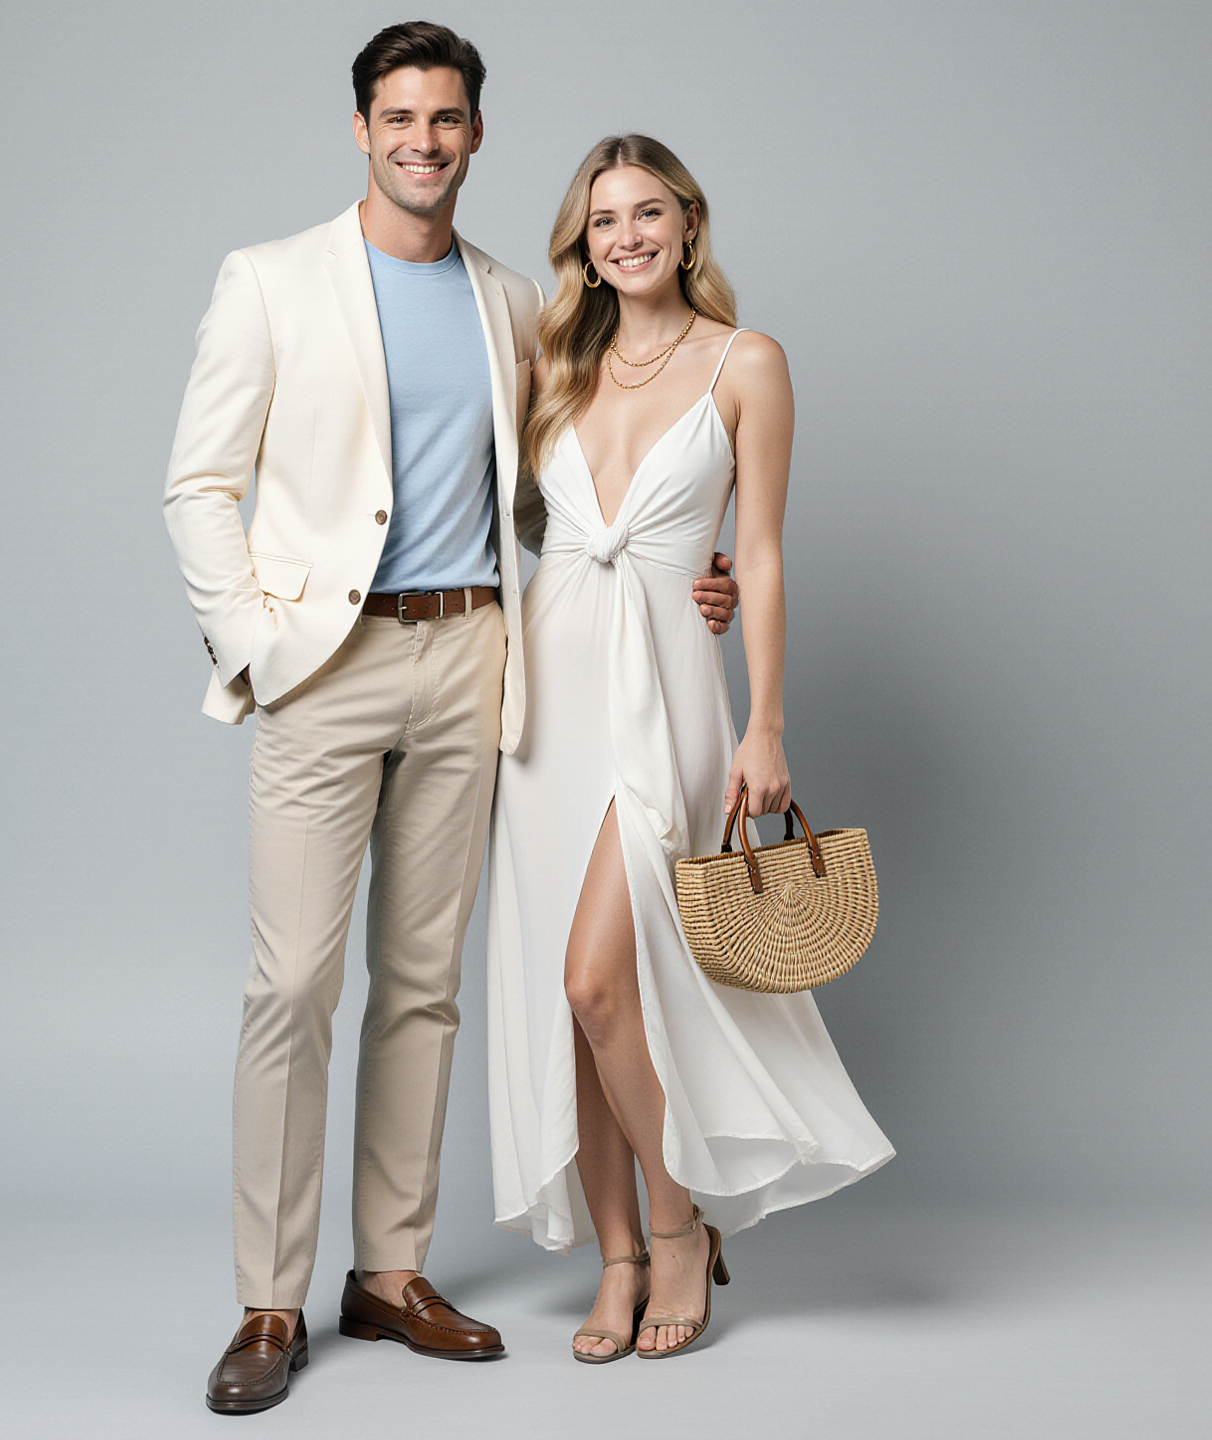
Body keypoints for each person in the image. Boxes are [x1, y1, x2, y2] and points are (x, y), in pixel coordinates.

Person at [163, 28, 739, 1413]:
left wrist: (686, 568)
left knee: (424, 984)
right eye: (399, 116)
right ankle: (268, 1301)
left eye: (446, 118)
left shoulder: (511, 302)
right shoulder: (271, 279)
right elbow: (198, 486)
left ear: (476, 135)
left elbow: (559, 498)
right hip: (325, 665)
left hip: (477, 655)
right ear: (362, 130)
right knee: (293, 986)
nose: (423, 140)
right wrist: (262, 648)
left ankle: (390, 1272)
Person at [486, 134, 895, 1363]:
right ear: (583, 244)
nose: (627, 236)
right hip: (544, 704)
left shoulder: (745, 361)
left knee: (598, 978)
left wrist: (765, 718)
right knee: (566, 1004)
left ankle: (678, 1228)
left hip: (661, 694)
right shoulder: (554, 360)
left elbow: (758, 551)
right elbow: (524, 527)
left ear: (688, 224)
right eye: (603, 220)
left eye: (647, 212)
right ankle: (616, 1256)